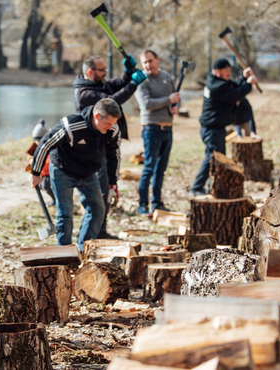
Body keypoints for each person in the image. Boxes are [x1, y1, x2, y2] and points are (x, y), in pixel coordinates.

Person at [29, 98, 122, 252]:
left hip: (88, 172)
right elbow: (45, 144)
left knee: (98, 209)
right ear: (97, 116)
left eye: (113, 123)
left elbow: (114, 156)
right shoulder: (72, 125)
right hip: (63, 170)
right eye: (108, 123)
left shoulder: (112, 130)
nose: (111, 127)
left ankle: (82, 248)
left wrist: (113, 183)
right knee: (65, 214)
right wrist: (36, 172)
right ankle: (64, 253)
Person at [73, 55, 146, 239]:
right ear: (90, 72)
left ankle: (100, 231)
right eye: (102, 70)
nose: (105, 73)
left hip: (107, 144)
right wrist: (133, 84)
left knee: (105, 189)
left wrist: (128, 74)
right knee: (98, 192)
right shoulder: (85, 93)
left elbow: (117, 84)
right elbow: (113, 99)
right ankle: (92, 234)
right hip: (94, 149)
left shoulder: (98, 84)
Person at [189, 58, 257, 196]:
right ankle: (196, 188)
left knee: (218, 159)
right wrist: (248, 85)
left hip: (217, 128)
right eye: (227, 71)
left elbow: (233, 85)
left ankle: (211, 187)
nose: (229, 74)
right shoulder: (215, 86)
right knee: (212, 158)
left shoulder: (220, 82)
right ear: (218, 71)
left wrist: (243, 78)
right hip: (211, 129)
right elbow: (235, 94)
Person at [135, 50, 179, 215]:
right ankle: (143, 204)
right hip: (151, 129)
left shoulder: (167, 77)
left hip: (167, 128)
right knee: (149, 167)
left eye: (150, 61)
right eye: (145, 62)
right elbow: (146, 104)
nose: (148, 65)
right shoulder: (142, 80)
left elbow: (176, 98)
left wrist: (176, 107)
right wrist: (169, 100)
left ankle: (157, 203)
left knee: (161, 169)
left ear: (158, 60)